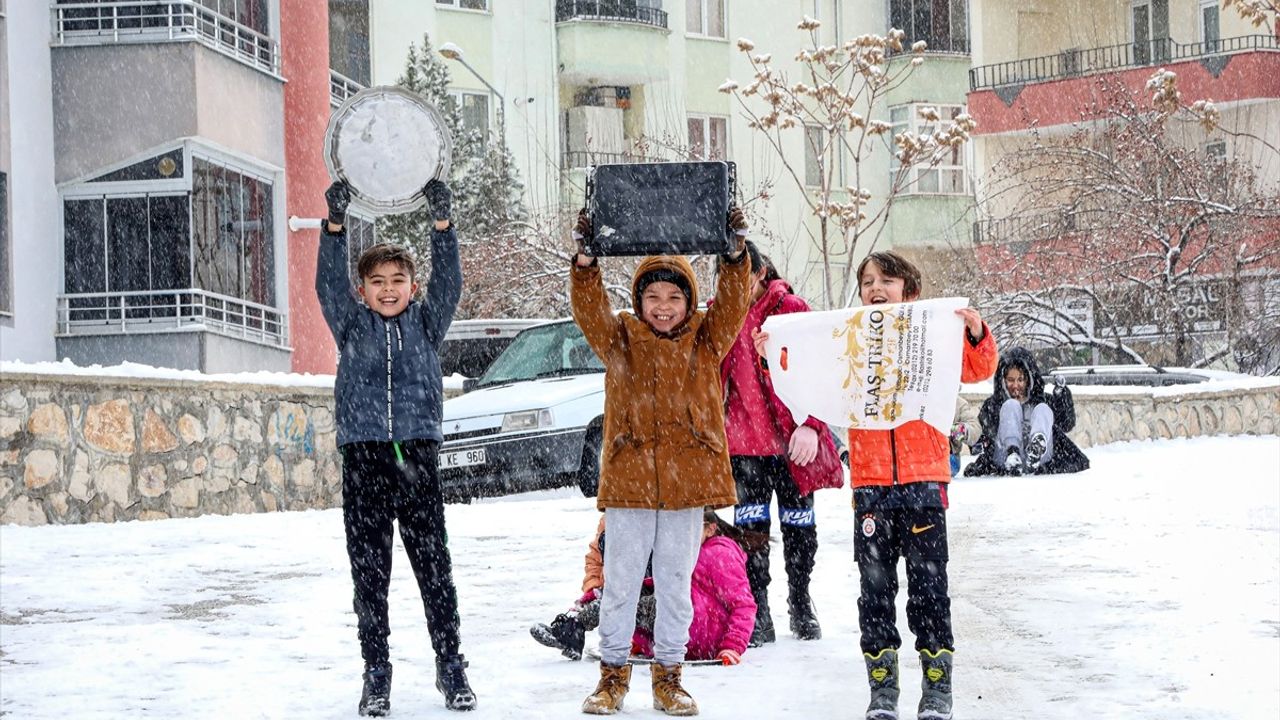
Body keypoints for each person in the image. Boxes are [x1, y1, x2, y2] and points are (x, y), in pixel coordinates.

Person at [754, 250, 996, 720]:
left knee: (930, 590)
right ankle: (882, 689)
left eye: (887, 279)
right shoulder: (850, 338)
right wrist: (773, 358)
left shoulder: (931, 332)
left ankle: (937, 686)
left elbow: (977, 368)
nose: (876, 288)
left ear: (911, 290)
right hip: (870, 485)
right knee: (875, 592)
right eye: (867, 281)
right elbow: (810, 378)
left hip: (924, 481)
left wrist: (974, 334)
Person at [570, 208, 752, 716]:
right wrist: (585, 263)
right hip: (629, 481)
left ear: (689, 301)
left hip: (687, 483)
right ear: (639, 301)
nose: (664, 306)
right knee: (620, 583)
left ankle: (669, 677)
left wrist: (735, 256)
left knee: (676, 585)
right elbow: (589, 309)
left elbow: (734, 301)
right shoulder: (620, 340)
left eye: (674, 297)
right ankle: (611, 676)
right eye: (653, 296)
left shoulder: (706, 339)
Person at [315, 180, 475, 715]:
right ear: (362, 290)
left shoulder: (428, 325)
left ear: (412, 286)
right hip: (364, 458)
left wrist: (442, 226)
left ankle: (450, 665)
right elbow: (326, 286)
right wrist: (334, 227)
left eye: (398, 280)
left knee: (434, 568)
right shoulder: (351, 323)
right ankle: (376, 672)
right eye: (377, 281)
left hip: (417, 458)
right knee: (370, 572)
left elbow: (449, 282)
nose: (388, 289)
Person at [717, 241, 843, 646]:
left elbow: (824, 370)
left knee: (799, 527)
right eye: (726, 275)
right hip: (744, 445)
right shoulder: (722, 316)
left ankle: (800, 599)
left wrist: (812, 423)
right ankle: (759, 610)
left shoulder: (792, 310)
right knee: (750, 531)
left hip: (794, 444)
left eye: (742, 273)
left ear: (760, 272)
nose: (735, 282)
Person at [531, 512, 760, 665]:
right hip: (677, 629)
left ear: (710, 529)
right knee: (623, 595)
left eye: (689, 527)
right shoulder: (681, 549)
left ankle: (573, 628)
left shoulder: (720, 554)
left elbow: (743, 605)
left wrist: (732, 646)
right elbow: (648, 583)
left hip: (699, 631)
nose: (682, 532)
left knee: (628, 603)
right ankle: (572, 627)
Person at [964, 347, 1090, 477]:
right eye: (1011, 380)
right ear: (1003, 380)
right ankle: (1013, 453)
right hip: (1004, 458)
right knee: (1010, 405)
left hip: (1041, 460)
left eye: (1020, 380)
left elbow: (1066, 424)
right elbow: (980, 436)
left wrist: (1062, 396)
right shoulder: (994, 405)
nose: (1015, 385)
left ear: (1028, 380)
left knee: (1043, 409)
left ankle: (1036, 450)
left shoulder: (1043, 400)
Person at [948, 396, 981, 477]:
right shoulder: (917, 398)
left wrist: (956, 430)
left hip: (949, 458)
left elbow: (974, 428)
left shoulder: (958, 404)